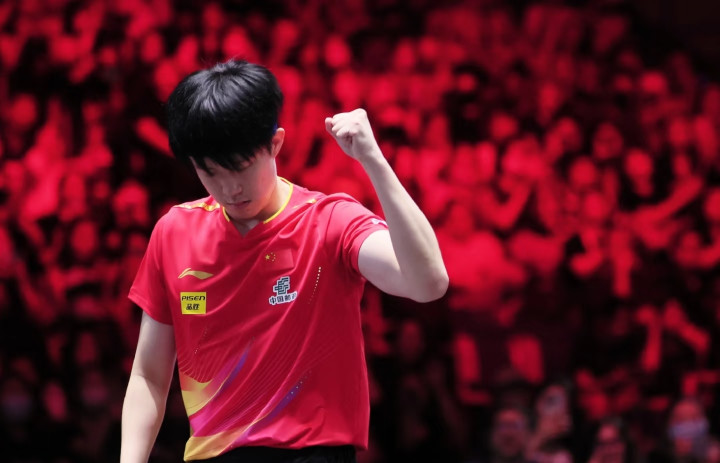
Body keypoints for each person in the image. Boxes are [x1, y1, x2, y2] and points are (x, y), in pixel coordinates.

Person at [119, 59, 449, 463]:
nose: (230, 188)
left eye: (241, 168)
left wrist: (374, 162)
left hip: (311, 454)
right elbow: (149, 376)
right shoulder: (174, 232)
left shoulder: (329, 222)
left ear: (274, 144)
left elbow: (428, 283)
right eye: (210, 172)